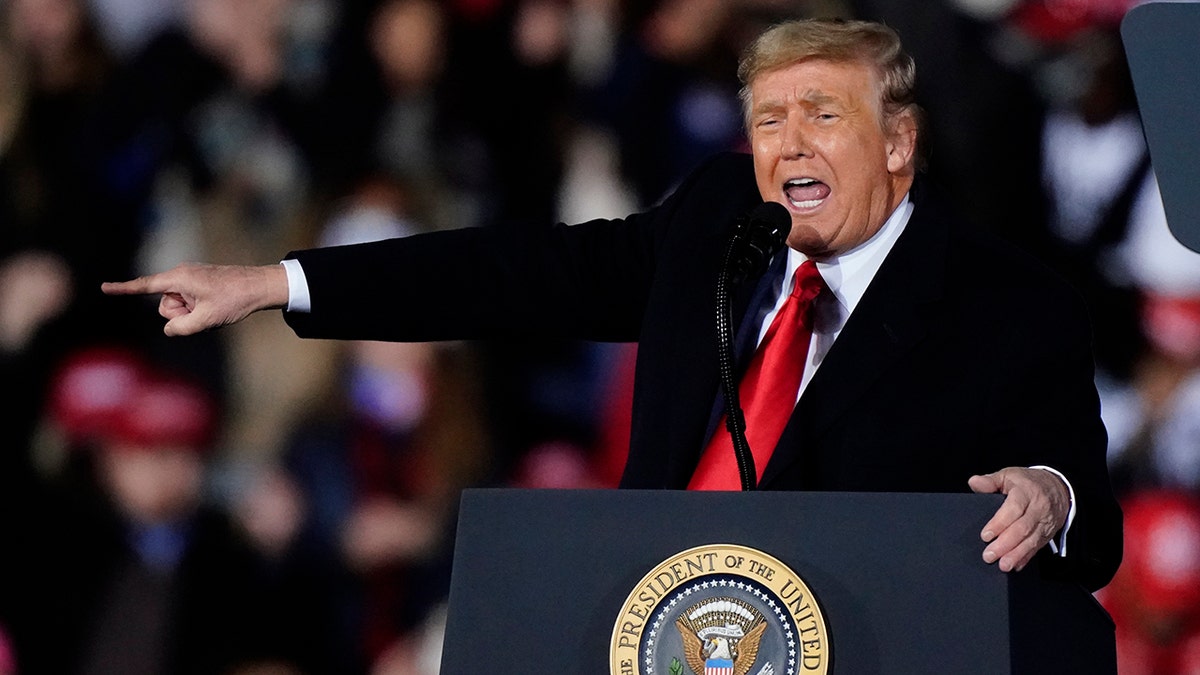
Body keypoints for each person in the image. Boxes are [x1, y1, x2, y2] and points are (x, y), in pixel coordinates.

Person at [103, 17, 1122, 591]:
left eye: (824, 115)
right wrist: (275, 284)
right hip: (667, 624)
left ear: (899, 142)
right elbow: (511, 273)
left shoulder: (1007, 301)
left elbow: (1083, 502)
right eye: (769, 119)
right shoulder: (721, 221)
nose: (790, 145)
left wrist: (1048, 493)